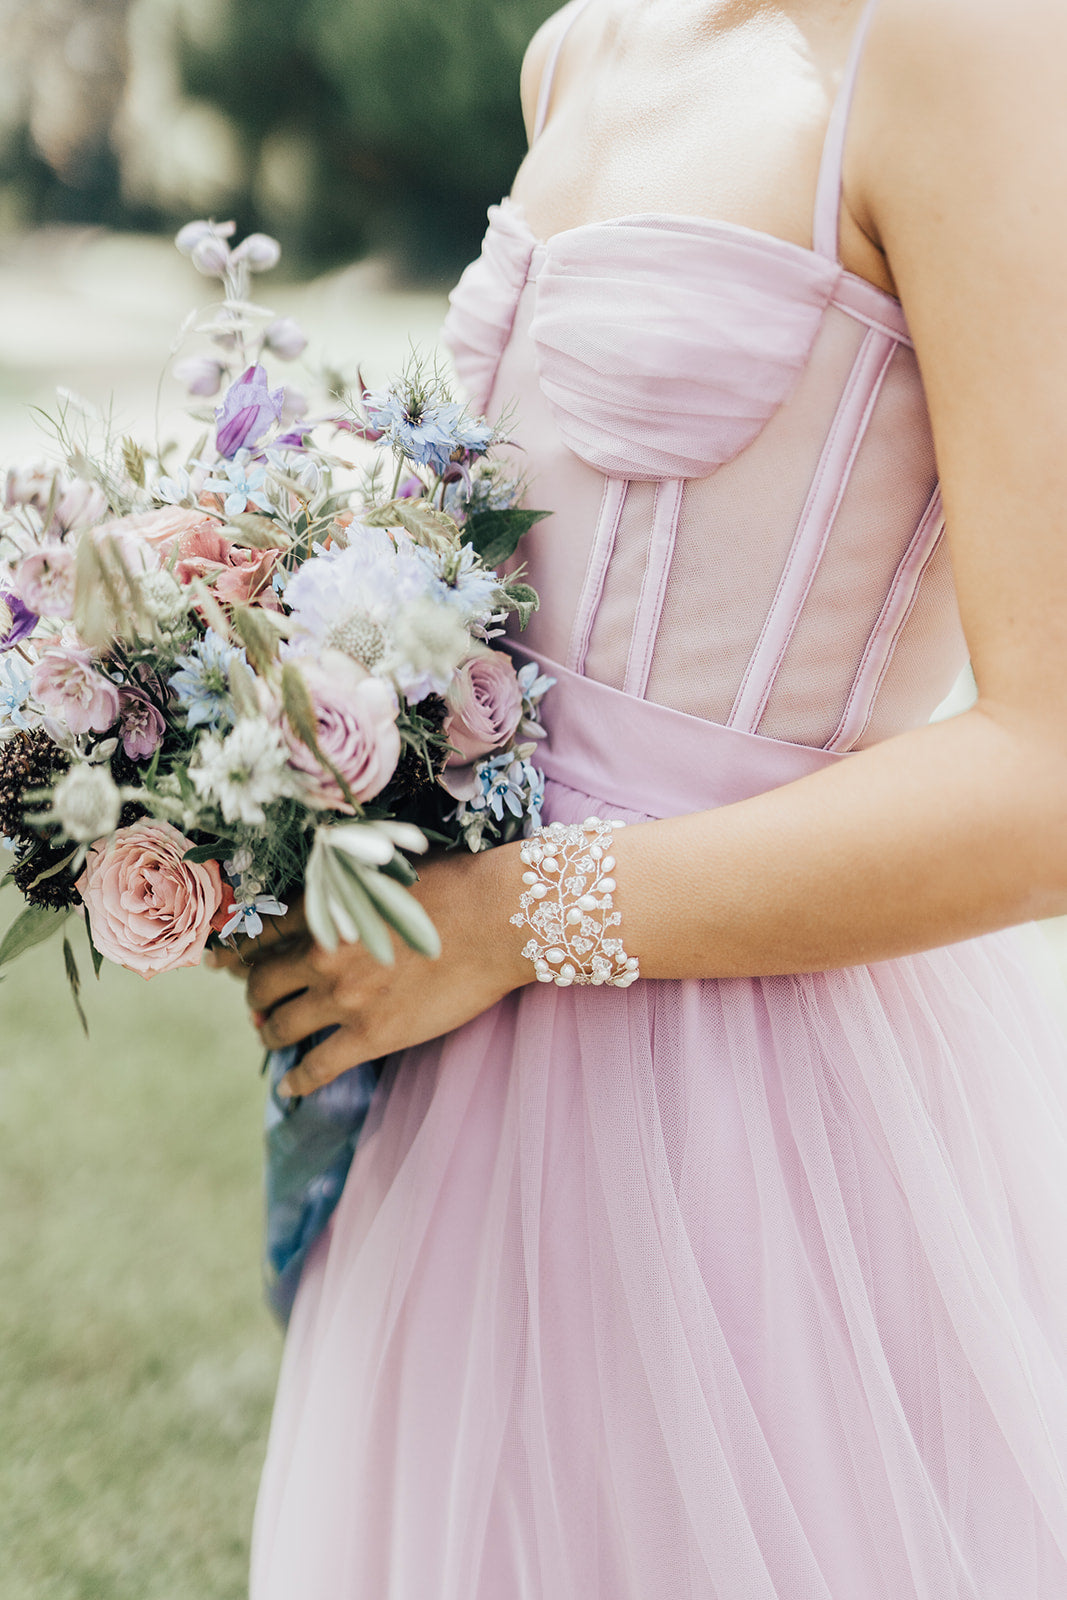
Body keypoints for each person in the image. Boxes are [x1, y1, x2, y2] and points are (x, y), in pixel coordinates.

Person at [233, 0, 1067, 1592]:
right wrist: (286, 798)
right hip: (460, 1081)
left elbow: (1054, 775)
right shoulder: (582, 47)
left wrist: (512, 923)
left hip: (765, 1108)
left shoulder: (973, 47)